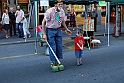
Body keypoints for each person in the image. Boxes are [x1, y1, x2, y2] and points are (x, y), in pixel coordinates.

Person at [42, 1, 72, 71]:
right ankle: (53, 62)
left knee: (59, 46)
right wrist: (44, 34)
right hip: (50, 30)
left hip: (58, 30)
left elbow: (62, 21)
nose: (61, 5)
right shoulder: (49, 11)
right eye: (59, 4)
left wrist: (66, 29)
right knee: (53, 47)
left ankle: (57, 61)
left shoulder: (61, 11)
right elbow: (43, 22)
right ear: (55, 4)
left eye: (61, 4)